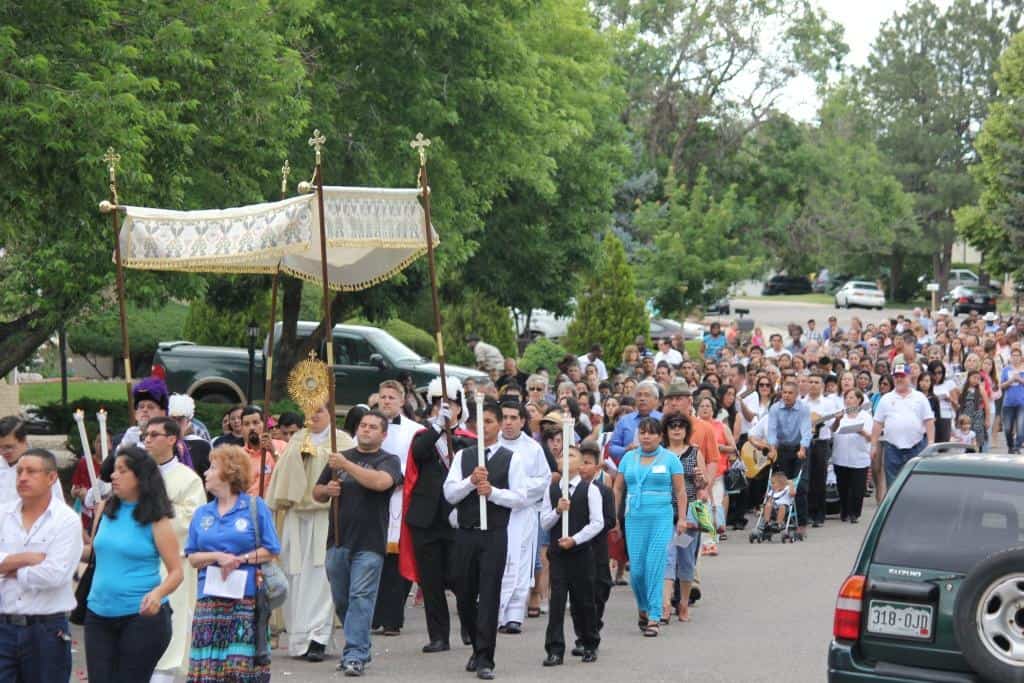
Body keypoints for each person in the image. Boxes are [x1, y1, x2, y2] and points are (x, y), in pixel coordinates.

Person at [313, 411, 403, 677]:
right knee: (342, 599)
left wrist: (347, 465)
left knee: (361, 597)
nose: (366, 430)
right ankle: (359, 644)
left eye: (373, 427)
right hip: (338, 540)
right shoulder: (340, 457)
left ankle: (355, 654)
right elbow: (317, 492)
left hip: (370, 543)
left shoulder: (388, 460)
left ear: (383, 434)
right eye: (363, 425)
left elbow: (380, 483)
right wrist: (327, 491)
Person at [444, 400, 529, 680]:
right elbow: (449, 493)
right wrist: (470, 482)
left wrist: (493, 493)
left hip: (494, 534)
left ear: (499, 425)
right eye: (480, 422)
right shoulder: (464, 456)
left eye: (490, 421)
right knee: (464, 593)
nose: (485, 427)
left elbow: (520, 497)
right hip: (466, 532)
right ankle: (475, 643)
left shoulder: (511, 458)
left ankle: (485, 658)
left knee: (490, 594)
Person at [265, 402, 355, 662]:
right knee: (295, 576)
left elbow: (348, 474)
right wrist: (297, 455)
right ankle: (299, 638)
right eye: (310, 411)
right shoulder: (297, 439)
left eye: (319, 411)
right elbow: (282, 477)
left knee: (322, 578)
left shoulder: (342, 441)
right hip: (297, 517)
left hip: (326, 517)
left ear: (330, 413)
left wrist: (319, 455)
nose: (313, 416)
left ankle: (318, 638)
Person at [86, 446, 183, 682]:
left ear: (140, 476)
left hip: (140, 618)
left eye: (122, 471)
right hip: (98, 613)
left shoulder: (156, 519)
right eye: (114, 470)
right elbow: (94, 552)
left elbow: (176, 572)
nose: (113, 475)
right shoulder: (105, 508)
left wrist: (157, 594)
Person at [185, 445, 281, 682]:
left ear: (229, 472)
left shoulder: (255, 507)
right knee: (208, 668)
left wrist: (241, 559)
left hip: (245, 599)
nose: (206, 473)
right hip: (209, 600)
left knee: (241, 667)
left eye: (212, 468)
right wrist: (217, 556)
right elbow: (192, 557)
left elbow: (271, 549)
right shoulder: (202, 513)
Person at [400, 379, 474, 653]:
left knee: (462, 577)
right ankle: (439, 636)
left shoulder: (468, 440)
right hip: (426, 518)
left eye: (451, 404)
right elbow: (419, 454)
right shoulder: (424, 436)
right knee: (430, 582)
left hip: (457, 517)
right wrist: (437, 427)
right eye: (440, 405)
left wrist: (451, 435)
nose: (445, 409)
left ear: (460, 408)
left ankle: (470, 626)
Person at [0, 448, 82, 683]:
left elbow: (54, 575)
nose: (23, 478)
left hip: (46, 629)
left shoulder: (66, 521)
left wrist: (8, 568)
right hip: (4, 626)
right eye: (19, 472)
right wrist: (27, 558)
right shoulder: (3, 515)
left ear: (51, 477)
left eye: (31, 472)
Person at [143, 416, 207, 683]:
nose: (147, 440)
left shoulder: (188, 478)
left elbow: (192, 520)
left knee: (171, 622)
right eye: (145, 435)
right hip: (140, 560)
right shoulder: (138, 474)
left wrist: (153, 516)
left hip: (172, 563)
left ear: (171, 439)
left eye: (154, 435)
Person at [612, 417, 685, 637]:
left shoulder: (670, 459)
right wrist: (614, 517)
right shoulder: (628, 458)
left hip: (661, 517)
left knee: (654, 565)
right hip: (634, 518)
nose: (646, 437)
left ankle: (654, 616)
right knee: (636, 571)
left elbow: (680, 491)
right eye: (642, 432)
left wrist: (682, 518)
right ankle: (643, 607)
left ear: (660, 436)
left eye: (651, 433)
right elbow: (617, 488)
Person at [540, 445, 603, 666]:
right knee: (557, 601)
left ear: (581, 462)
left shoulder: (590, 489)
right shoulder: (552, 490)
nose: (565, 458)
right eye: (561, 455)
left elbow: (597, 522)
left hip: (581, 553)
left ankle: (589, 642)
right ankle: (555, 648)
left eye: (571, 455)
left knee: (583, 600)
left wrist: (575, 539)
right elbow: (544, 522)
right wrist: (557, 511)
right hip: (558, 554)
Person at [373, 380, 423, 637]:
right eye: (383, 396)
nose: (386, 401)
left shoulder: (415, 431)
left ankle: (393, 617)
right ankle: (374, 614)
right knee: (373, 556)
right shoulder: (369, 426)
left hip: (401, 498)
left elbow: (418, 464)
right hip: (372, 497)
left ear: (402, 401)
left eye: (392, 397)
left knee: (396, 559)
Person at [497, 401, 551, 635]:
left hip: (522, 513)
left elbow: (543, 480)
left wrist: (517, 489)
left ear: (522, 421)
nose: (508, 422)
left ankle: (514, 615)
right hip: (497, 512)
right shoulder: (490, 445)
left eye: (513, 418)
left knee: (520, 564)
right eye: (504, 417)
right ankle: (496, 612)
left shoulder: (533, 448)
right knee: (498, 563)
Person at [660, 414, 706, 624]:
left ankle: (684, 603)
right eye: (672, 426)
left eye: (680, 426)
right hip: (664, 512)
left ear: (686, 430)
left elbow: (703, 485)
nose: (676, 429)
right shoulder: (661, 453)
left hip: (688, 516)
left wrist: (700, 479)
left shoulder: (695, 452)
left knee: (685, 557)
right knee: (668, 556)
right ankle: (665, 604)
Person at [574, 441, 615, 653]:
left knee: (599, 590)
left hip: (597, 549)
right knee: (579, 595)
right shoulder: (570, 490)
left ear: (597, 466)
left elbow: (610, 520)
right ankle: (582, 636)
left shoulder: (604, 491)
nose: (583, 467)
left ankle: (594, 626)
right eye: (580, 462)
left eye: (588, 463)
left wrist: (590, 530)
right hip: (575, 550)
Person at [871, 361, 934, 486]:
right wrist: (873, 445)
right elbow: (878, 423)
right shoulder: (886, 398)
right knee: (893, 485)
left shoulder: (920, 397)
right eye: (896, 376)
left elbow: (929, 420)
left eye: (902, 376)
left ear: (909, 377)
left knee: (916, 485)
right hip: (892, 449)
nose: (899, 379)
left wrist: (931, 443)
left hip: (916, 447)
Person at [765, 380, 812, 537]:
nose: (786, 395)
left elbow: (806, 430)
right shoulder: (775, 408)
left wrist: (803, 448)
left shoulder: (803, 409)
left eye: (790, 393)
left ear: (796, 394)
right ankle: (778, 521)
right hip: (783, 449)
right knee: (781, 485)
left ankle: (802, 524)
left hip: (799, 448)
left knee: (800, 486)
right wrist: (772, 449)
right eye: (784, 392)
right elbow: (772, 431)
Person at [801, 374, 842, 528]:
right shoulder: (801, 403)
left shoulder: (828, 404)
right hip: (805, 443)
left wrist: (837, 419)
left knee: (819, 478)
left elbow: (833, 428)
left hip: (821, 443)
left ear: (822, 386)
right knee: (806, 477)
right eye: (810, 382)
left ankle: (819, 514)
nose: (813, 384)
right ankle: (806, 513)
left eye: (816, 382)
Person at [830, 389, 872, 523]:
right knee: (843, 487)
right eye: (846, 398)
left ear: (859, 400)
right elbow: (832, 430)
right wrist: (837, 420)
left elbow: (870, 436)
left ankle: (855, 513)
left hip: (859, 457)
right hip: (841, 456)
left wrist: (861, 431)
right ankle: (844, 511)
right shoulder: (841, 414)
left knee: (857, 488)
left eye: (852, 397)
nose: (848, 400)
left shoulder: (865, 416)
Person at [0, 417, 64, 505]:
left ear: (23, 440)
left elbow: (57, 505)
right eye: (0, 447)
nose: (3, 452)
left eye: (8, 447)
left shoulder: (42, 466)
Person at [607, 382, 663, 463]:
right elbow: (612, 447)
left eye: (646, 395)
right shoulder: (624, 420)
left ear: (656, 399)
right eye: (639, 395)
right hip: (630, 464)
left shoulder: (663, 420)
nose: (642, 398)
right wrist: (625, 449)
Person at [169, 394, 212, 484]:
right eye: (172, 419)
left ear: (188, 421)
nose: (175, 424)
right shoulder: (161, 443)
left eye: (179, 420)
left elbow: (208, 480)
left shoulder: (201, 445)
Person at [239, 406, 281, 498]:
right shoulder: (237, 456)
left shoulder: (282, 446)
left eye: (255, 423)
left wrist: (273, 452)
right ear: (241, 429)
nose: (251, 428)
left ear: (264, 425)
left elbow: (290, 475)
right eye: (246, 424)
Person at [1000, 347, 1024, 453]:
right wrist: (1011, 380)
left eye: (1017, 356)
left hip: (1022, 403)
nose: (1015, 358)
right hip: (1008, 403)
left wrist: (1020, 379)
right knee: (1007, 429)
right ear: (1010, 357)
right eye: (1013, 356)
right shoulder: (1006, 370)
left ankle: (1017, 447)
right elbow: (1001, 386)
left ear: (1021, 357)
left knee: (1021, 428)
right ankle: (1010, 447)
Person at [958, 370, 988, 451]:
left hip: (978, 418)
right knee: (965, 437)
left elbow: (986, 404)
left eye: (978, 379)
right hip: (966, 417)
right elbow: (959, 403)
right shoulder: (963, 389)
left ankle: (977, 452)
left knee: (977, 439)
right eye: (974, 378)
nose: (976, 380)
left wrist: (987, 419)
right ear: (968, 378)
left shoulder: (981, 389)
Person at [930, 360, 959, 442]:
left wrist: (950, 399)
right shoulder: (929, 384)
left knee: (944, 442)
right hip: (932, 416)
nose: (937, 376)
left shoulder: (949, 384)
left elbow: (957, 406)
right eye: (934, 373)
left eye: (939, 373)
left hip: (946, 416)